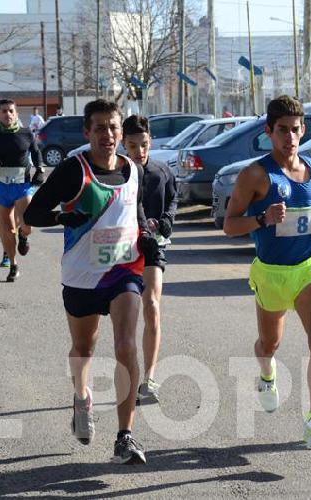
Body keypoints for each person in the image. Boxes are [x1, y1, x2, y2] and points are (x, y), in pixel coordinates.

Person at [24, 98, 161, 465]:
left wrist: (146, 234)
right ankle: (82, 397)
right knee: (83, 348)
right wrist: (64, 218)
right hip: (82, 275)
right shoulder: (73, 170)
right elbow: (35, 211)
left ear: (121, 130)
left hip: (124, 271)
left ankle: (125, 436)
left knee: (125, 345)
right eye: (99, 127)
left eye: (113, 127)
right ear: (87, 132)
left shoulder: (132, 169)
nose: (107, 134)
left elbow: (137, 211)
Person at [222, 95, 311, 451]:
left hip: (308, 268)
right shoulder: (255, 174)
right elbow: (228, 225)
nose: (290, 137)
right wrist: (261, 219)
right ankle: (267, 376)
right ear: (269, 132)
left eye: (296, 129)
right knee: (269, 343)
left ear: (303, 131)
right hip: (271, 272)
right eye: (282, 130)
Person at [120, 114, 178, 406]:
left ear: (150, 142)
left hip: (154, 247)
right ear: (123, 145)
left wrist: (168, 219)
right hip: (124, 249)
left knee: (152, 305)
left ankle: (149, 378)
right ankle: (128, 370)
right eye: (132, 146)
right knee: (127, 314)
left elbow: (172, 198)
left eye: (143, 145)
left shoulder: (162, 171)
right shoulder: (119, 174)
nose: (139, 151)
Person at [0, 99, 46, 281]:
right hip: (0, 187)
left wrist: (40, 170)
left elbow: (36, 153)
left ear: (16, 114)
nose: (7, 114)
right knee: (7, 228)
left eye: (11, 111)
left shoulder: (26, 134)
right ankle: (13, 264)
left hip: (22, 186)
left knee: (27, 225)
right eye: (3, 111)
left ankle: (23, 236)